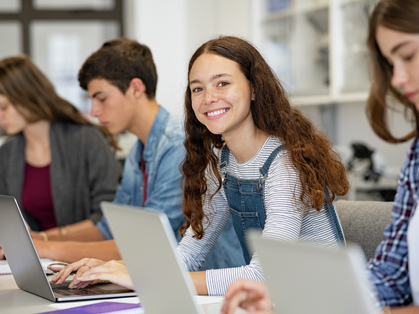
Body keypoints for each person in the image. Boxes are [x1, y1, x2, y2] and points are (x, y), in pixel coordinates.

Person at [51, 35, 350, 296]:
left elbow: (264, 275)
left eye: (222, 83)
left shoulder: (283, 164)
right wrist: (113, 268)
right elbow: (188, 255)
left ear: (255, 89)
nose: (209, 98)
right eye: (197, 89)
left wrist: (146, 278)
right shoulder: (222, 162)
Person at [222, 0, 419, 313]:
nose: (397, 78)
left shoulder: (280, 163)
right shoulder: (417, 157)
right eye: (390, 63)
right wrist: (299, 303)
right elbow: (389, 276)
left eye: (407, 56)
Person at [29, 37, 245, 270]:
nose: (94, 111)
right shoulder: (138, 151)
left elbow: (143, 242)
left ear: (135, 88)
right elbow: (109, 228)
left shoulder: (179, 146)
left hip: (210, 290)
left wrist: (45, 247)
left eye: (101, 99)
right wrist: (40, 239)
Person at [0, 55, 122, 257]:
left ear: (27, 97)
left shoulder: (86, 140)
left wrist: (43, 240)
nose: (0, 116)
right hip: (33, 259)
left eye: (4, 107)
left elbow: (108, 215)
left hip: (86, 259)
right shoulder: (7, 154)